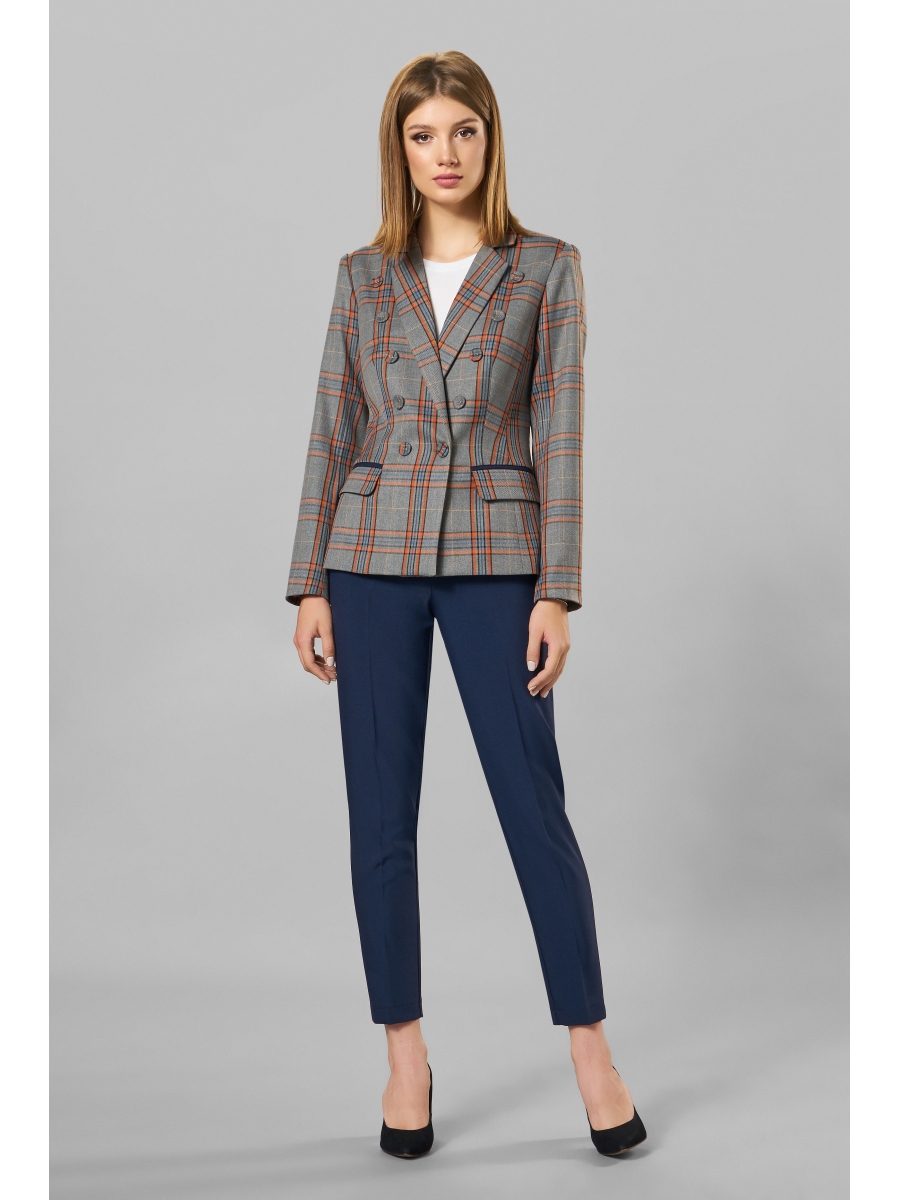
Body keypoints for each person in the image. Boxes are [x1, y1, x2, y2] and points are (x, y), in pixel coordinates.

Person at [287, 50, 646, 1159]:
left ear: (490, 139)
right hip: (367, 559)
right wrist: (309, 579)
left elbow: (561, 435)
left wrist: (558, 588)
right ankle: (405, 1057)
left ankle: (591, 1050)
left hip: (499, 560)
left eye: (463, 132)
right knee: (380, 818)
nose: (444, 154)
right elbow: (332, 428)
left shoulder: (546, 267)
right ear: (398, 151)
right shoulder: (362, 276)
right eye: (422, 135)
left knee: (534, 809)